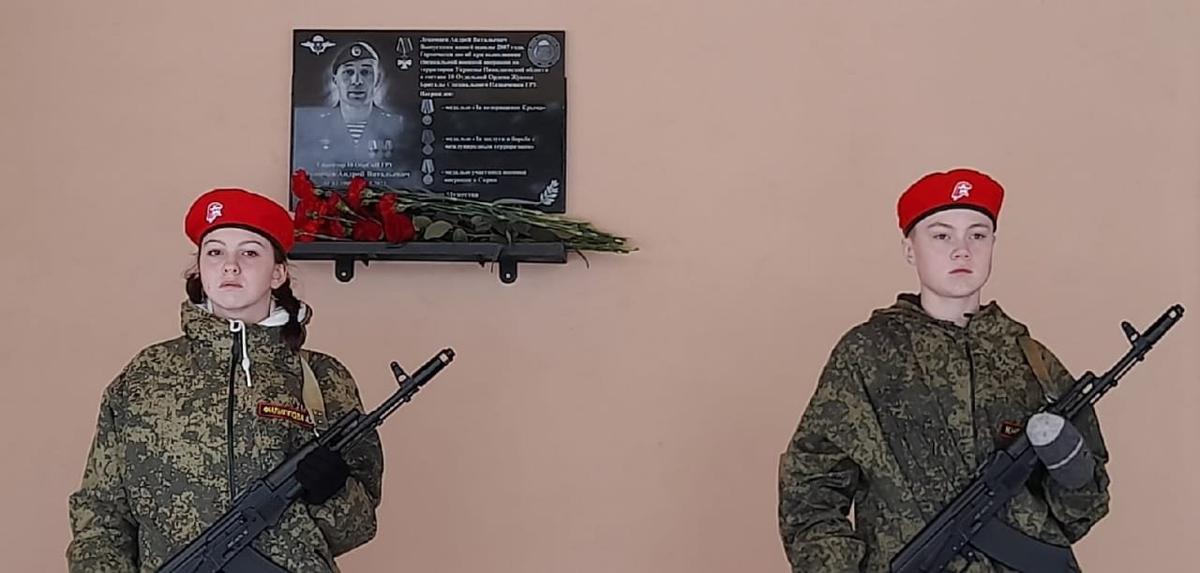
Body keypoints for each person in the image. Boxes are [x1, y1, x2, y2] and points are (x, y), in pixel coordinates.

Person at [777, 168, 1112, 572]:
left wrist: (1070, 468)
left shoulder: (1032, 362)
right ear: (909, 249)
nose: (962, 249)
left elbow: (1081, 512)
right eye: (941, 235)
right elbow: (810, 489)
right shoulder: (869, 356)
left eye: (977, 234)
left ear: (993, 244)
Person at [66, 188, 384, 572]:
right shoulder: (146, 375)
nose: (230, 266)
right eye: (215, 252)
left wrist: (334, 492)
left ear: (278, 272)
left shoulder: (321, 379)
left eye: (249, 252)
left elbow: (359, 527)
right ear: (199, 269)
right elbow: (101, 514)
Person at [293, 40, 406, 187]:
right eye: (348, 72)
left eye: (365, 72)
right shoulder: (315, 125)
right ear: (335, 80)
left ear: (377, 80)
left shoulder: (396, 124)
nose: (357, 81)